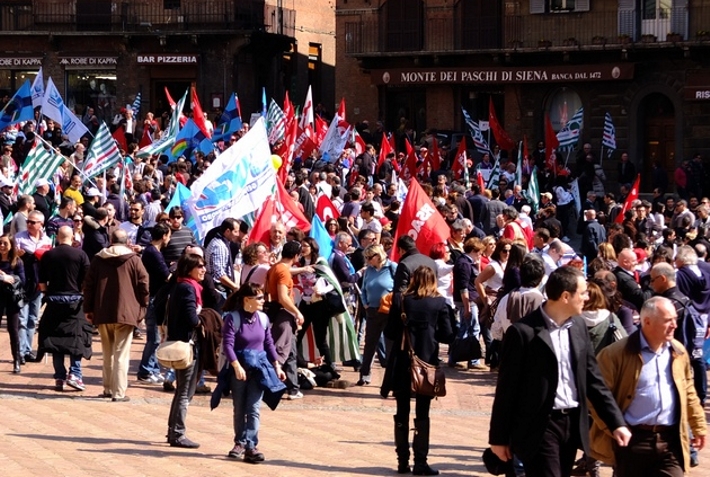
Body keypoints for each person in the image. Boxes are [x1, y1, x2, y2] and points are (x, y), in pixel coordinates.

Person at [489, 266, 631, 477]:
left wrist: (616, 422)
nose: (587, 296)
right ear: (566, 296)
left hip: (571, 424)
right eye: (583, 292)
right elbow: (507, 388)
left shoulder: (579, 327)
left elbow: (593, 380)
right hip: (540, 426)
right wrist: (498, 437)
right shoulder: (523, 333)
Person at [591, 296, 707, 476]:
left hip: (670, 440)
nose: (674, 325)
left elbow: (688, 391)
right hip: (633, 441)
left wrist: (698, 425)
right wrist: (614, 428)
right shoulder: (616, 354)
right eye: (668, 321)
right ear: (647, 322)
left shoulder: (678, 351)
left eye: (675, 320)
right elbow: (597, 396)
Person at [383, 266, 454, 475]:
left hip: (403, 360)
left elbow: (390, 331)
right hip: (427, 362)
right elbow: (447, 335)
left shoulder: (402, 300)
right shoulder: (439, 302)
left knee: (401, 410)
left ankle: (402, 460)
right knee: (423, 412)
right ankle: (421, 462)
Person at [222, 283, 286, 463]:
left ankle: (251, 445)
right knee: (239, 407)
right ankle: (239, 442)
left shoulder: (264, 319)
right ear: (246, 300)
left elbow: (268, 343)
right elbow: (228, 345)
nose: (263, 300)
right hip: (240, 369)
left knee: (254, 408)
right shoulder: (232, 319)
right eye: (259, 298)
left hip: (259, 369)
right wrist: (236, 366)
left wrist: (277, 365)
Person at [83, 229, 150, 402]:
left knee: (107, 352)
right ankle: (118, 392)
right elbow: (144, 283)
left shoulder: (98, 259)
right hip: (126, 312)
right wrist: (143, 305)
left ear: (110, 240)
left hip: (103, 310)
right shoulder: (134, 260)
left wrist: (88, 308)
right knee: (121, 354)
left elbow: (88, 285)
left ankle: (107, 388)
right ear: (127, 241)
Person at [36, 226, 92, 391]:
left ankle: (59, 376)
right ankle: (75, 374)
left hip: (54, 300)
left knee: (55, 339)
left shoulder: (48, 255)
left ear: (58, 237)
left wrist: (47, 293)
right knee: (76, 337)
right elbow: (87, 280)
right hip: (74, 301)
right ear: (72, 236)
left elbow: (41, 281)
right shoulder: (81, 255)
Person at [165, 253, 205, 448]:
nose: (203, 270)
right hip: (187, 345)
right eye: (199, 267)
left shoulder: (181, 286)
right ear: (189, 269)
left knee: (182, 389)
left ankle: (173, 430)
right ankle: (178, 433)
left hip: (181, 342)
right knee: (185, 391)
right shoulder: (188, 289)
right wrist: (201, 321)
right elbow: (191, 318)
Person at [265, 241, 305, 400]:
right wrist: (297, 312)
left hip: (277, 313)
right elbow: (282, 297)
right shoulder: (283, 271)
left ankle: (293, 387)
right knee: (281, 351)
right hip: (284, 314)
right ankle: (271, 385)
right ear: (296, 256)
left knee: (290, 351)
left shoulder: (274, 268)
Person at [15, 210, 53, 362]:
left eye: (33, 222)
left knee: (32, 319)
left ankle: (28, 350)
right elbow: (14, 258)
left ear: (41, 224)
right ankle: (21, 351)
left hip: (38, 284)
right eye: (28, 222)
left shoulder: (48, 241)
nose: (29, 224)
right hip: (23, 283)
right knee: (22, 319)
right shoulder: (19, 238)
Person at [136, 223, 171, 384]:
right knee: (154, 337)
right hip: (153, 299)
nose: (169, 239)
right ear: (164, 236)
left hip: (157, 297)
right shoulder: (153, 253)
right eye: (169, 235)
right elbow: (166, 275)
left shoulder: (154, 252)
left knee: (158, 336)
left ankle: (153, 368)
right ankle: (145, 370)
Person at [358, 243, 396, 385]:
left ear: (377, 255)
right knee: (370, 344)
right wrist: (365, 303)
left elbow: (400, 288)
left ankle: (392, 377)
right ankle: (364, 374)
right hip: (372, 311)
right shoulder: (369, 270)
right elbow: (363, 289)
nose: (368, 261)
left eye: (369, 257)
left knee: (390, 344)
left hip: (388, 311)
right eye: (366, 258)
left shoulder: (392, 267)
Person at [0, 233, 25, 373]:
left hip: (12, 299)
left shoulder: (17, 261)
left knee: (13, 330)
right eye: (0, 243)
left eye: (5, 243)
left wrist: (10, 277)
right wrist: (1, 277)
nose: (2, 246)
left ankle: (16, 360)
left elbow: (22, 280)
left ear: (11, 246)